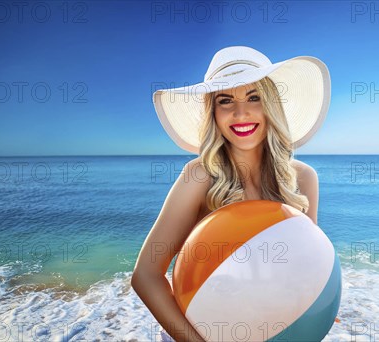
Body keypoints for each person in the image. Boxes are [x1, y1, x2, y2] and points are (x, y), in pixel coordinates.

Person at [131, 46, 331, 341]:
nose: (241, 113)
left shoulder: (303, 179)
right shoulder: (199, 176)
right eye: (226, 101)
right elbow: (145, 277)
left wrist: (321, 306)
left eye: (254, 97)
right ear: (213, 112)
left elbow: (307, 270)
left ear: (271, 104)